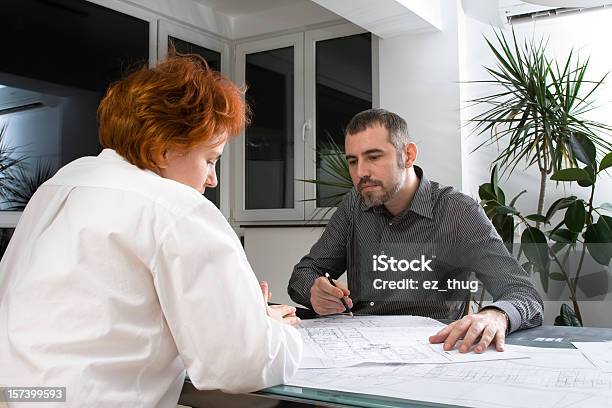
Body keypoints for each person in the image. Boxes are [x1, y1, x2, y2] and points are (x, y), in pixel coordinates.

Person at [0, 54, 302, 406]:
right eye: (210, 160)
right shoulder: (177, 209)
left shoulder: (63, 184)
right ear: (162, 149)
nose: (212, 179)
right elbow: (241, 365)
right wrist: (272, 328)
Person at [288, 108, 543, 354]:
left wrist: (496, 315)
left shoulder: (459, 212)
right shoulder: (354, 205)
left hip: (431, 352)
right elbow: (303, 274)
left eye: (374, 157)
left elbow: (524, 295)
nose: (361, 173)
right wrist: (315, 292)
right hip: (357, 347)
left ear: (408, 155)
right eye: (353, 161)